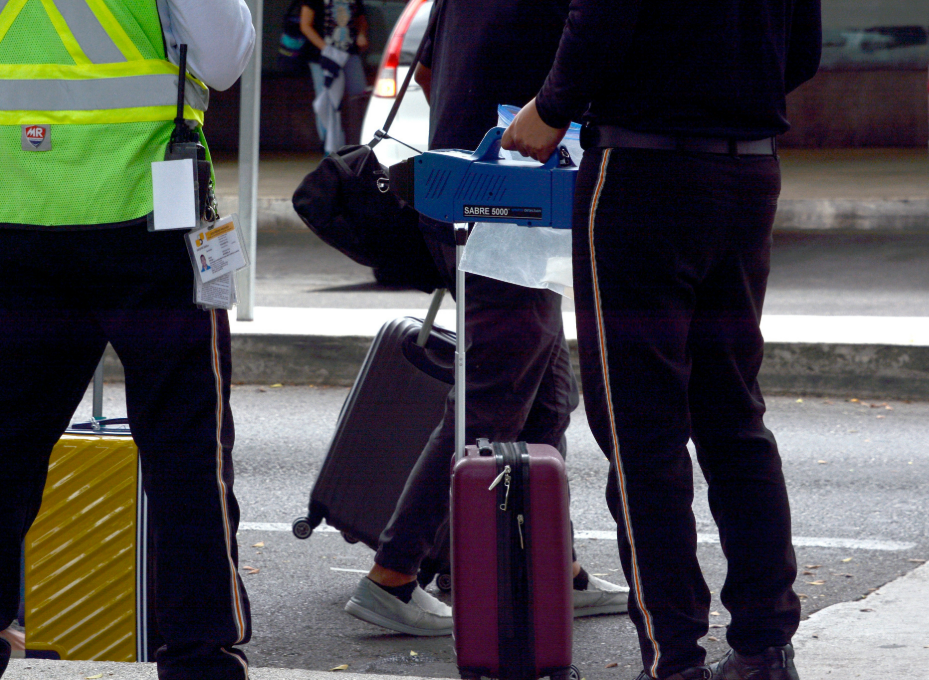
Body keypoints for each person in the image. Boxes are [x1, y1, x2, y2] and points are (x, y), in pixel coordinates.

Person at [0, 0, 255, 678]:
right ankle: (199, 655)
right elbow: (224, 58)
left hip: (18, 203)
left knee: (0, 442)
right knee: (185, 444)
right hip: (146, 204)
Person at [500, 1, 822, 678]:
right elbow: (803, 52)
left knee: (641, 433)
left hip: (641, 172)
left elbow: (602, 17)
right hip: (747, 174)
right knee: (734, 417)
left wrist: (551, 108)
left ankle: (674, 659)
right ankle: (766, 646)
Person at [343, 0, 629, 638]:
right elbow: (586, 58)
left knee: (549, 393)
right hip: (505, 203)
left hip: (475, 191)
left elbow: (425, 70)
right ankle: (395, 572)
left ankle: (551, 565)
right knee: (494, 391)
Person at [298, 0, 368, 152]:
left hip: (350, 53)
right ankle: (328, 147)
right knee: (327, 99)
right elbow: (305, 25)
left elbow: (361, 19)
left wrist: (362, 35)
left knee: (359, 96)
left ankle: (359, 142)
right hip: (322, 57)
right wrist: (328, 51)